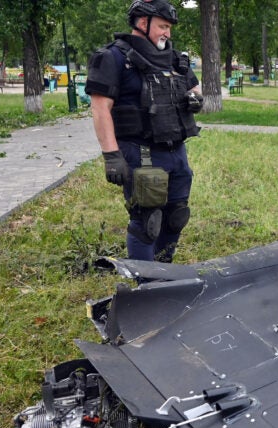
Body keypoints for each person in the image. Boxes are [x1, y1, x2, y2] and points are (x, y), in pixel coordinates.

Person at [85, 0, 203, 262]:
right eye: (163, 26)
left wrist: (196, 98)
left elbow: (194, 89)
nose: (167, 33)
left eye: (169, 28)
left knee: (176, 216)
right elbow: (100, 108)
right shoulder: (113, 58)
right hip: (141, 153)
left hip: (176, 152)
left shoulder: (175, 58)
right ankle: (146, 283)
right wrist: (111, 155)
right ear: (142, 23)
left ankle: (164, 270)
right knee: (147, 220)